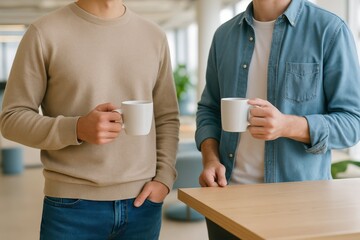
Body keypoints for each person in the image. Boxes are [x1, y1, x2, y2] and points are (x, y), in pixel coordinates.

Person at [0, 0, 179, 239]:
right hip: (70, 207)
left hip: (143, 204)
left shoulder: (154, 36)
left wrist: (164, 179)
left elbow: (166, 116)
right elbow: (11, 119)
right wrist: (75, 128)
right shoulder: (44, 32)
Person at [195, 0, 360, 239]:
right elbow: (209, 109)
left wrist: (287, 125)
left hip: (299, 208)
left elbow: (353, 122)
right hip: (226, 200)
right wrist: (210, 159)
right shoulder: (224, 36)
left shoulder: (329, 29)